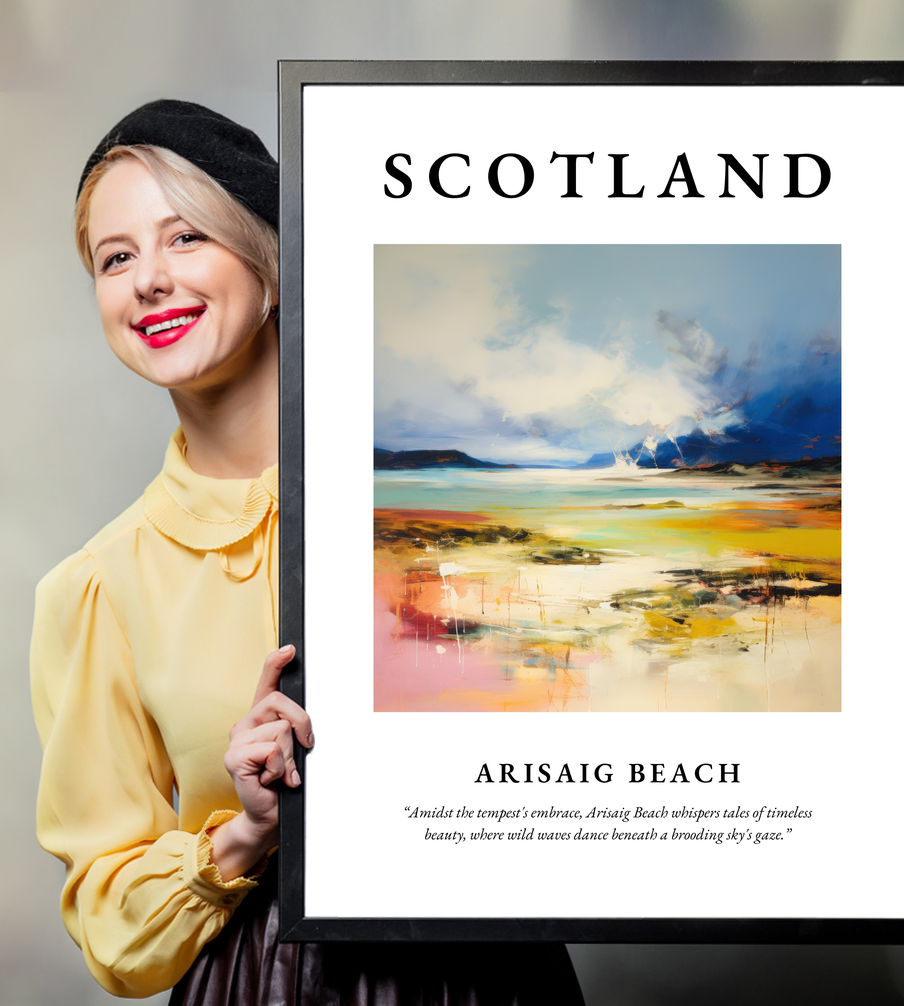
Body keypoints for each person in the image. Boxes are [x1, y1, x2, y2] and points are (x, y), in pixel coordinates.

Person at [30, 100, 585, 1004]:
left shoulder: (452, 503)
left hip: (492, 973)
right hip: (263, 982)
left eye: (186, 239)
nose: (148, 281)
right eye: (116, 257)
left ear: (274, 264)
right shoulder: (97, 587)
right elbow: (110, 924)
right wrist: (245, 832)